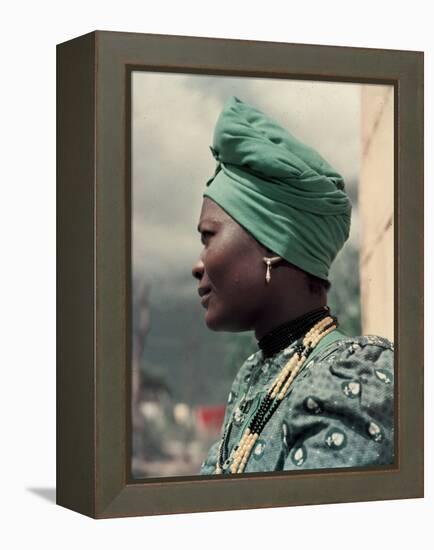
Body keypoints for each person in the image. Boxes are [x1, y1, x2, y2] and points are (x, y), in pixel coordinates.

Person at [192, 96, 394, 475]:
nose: (197, 264)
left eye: (208, 236)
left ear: (274, 244)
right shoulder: (257, 375)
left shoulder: (353, 382)